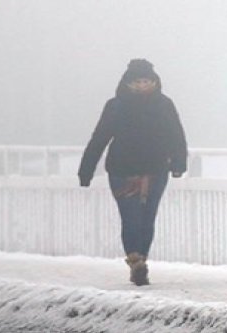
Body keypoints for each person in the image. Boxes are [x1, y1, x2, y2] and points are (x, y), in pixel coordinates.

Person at [78, 59, 188, 286]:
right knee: (131, 217)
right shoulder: (116, 106)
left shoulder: (164, 105)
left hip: (156, 170)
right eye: (138, 81)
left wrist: (179, 162)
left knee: (148, 217)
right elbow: (100, 138)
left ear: (155, 82)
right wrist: (86, 169)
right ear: (128, 83)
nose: (142, 85)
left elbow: (176, 134)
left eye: (146, 81)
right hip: (122, 171)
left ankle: (140, 260)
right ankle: (136, 261)